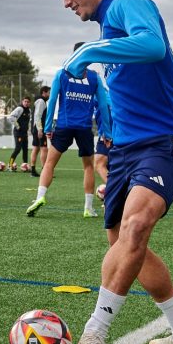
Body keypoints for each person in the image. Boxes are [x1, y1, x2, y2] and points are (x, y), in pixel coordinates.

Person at [50, 0, 173, 344]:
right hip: (125, 149)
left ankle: (94, 333)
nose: (66, 1)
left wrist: (90, 53)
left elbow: (153, 45)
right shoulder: (107, 30)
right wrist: (109, 145)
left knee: (136, 228)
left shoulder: (127, 3)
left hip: (166, 141)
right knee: (122, 242)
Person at [25, 43, 112, 219]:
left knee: (49, 163)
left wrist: (48, 127)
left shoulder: (61, 74)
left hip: (64, 126)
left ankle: (40, 197)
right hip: (85, 128)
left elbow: (52, 102)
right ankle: (88, 208)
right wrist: (107, 133)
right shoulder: (95, 77)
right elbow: (103, 106)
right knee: (88, 167)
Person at [29, 86, 51, 177]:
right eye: (49, 92)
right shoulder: (41, 101)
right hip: (39, 129)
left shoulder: (40, 101)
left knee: (36, 148)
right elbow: (38, 115)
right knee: (44, 149)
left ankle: (33, 171)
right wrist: (40, 129)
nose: (50, 94)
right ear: (44, 93)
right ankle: (44, 171)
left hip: (36, 128)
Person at [6, 96, 32, 171]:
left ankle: (25, 166)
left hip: (25, 133)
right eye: (25, 101)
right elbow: (10, 117)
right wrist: (17, 126)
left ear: (29, 103)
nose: (26, 103)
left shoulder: (29, 110)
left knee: (25, 149)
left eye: (28, 102)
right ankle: (10, 165)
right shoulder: (20, 109)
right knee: (18, 149)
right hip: (18, 132)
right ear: (22, 101)